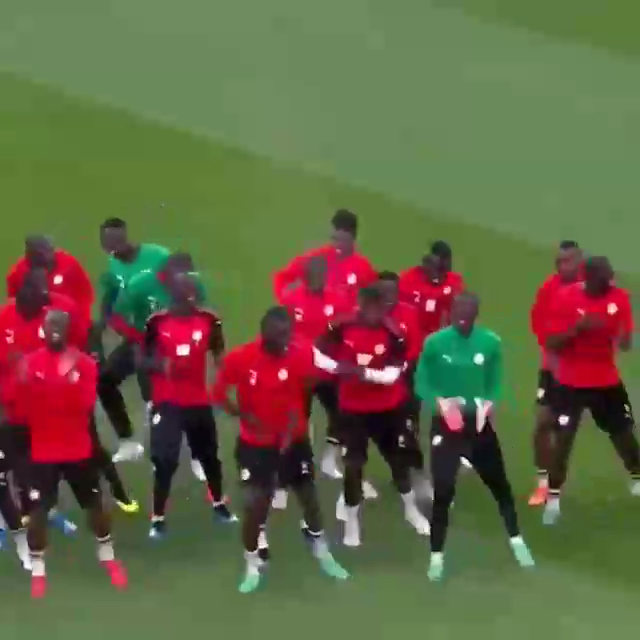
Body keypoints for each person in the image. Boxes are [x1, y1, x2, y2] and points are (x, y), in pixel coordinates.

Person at [211, 306, 349, 593]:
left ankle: (319, 544)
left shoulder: (300, 353)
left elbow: (308, 385)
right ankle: (252, 561)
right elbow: (219, 393)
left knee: (309, 497)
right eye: (279, 335)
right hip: (256, 445)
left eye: (288, 334)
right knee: (256, 506)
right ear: (264, 333)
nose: (285, 341)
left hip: (293, 442)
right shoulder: (241, 358)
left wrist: (293, 422)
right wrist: (242, 415)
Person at [415, 292, 534, 581]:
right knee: (443, 491)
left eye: (468, 315)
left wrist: (488, 405)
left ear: (475, 315)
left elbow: (495, 382)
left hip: (477, 425)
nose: (463, 320)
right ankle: (436, 556)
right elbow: (421, 382)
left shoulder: (490, 342)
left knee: (500, 486)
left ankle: (517, 540)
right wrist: (441, 404)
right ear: (451, 313)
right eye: (459, 314)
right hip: (446, 424)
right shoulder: (435, 343)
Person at [19, 310, 127, 598]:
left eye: (60, 325)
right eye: (50, 325)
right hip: (43, 452)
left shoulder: (84, 364)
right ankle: (38, 569)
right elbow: (27, 404)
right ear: (43, 330)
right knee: (37, 512)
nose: (54, 329)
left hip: (77, 449)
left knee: (96, 507)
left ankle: (107, 555)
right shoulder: (30, 363)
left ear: (68, 330)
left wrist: (54, 386)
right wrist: (60, 386)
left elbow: (85, 404)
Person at [314, 286, 431, 547]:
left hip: (387, 409)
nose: (375, 314)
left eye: (380, 309)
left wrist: (360, 373)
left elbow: (392, 375)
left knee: (399, 463)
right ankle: (352, 522)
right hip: (352, 410)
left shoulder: (394, 335)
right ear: (361, 305)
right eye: (370, 308)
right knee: (353, 467)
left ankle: (411, 511)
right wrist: (337, 367)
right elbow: (316, 353)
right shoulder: (341, 327)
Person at [543, 256, 640, 525]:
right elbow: (552, 342)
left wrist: (621, 336)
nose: (610, 283)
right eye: (604, 279)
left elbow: (625, 343)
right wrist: (578, 329)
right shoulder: (566, 298)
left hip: (606, 381)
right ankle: (553, 500)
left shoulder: (619, 297)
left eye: (610, 278)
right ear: (588, 279)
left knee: (624, 434)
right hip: (571, 383)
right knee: (563, 441)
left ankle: (637, 477)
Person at [140, 271, 236, 539]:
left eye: (190, 293)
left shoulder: (209, 320)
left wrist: (224, 373)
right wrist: (162, 365)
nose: (187, 299)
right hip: (167, 401)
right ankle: (158, 517)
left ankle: (219, 504)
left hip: (197, 401)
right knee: (165, 461)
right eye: (181, 294)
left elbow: (218, 351)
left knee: (209, 457)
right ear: (173, 295)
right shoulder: (156, 323)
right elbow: (142, 359)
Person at [0, 269, 87, 535]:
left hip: (44, 406)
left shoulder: (51, 320)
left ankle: (46, 510)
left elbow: (71, 353)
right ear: (22, 296)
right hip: (10, 406)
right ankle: (16, 515)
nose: (45, 301)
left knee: (45, 464)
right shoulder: (4, 318)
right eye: (39, 296)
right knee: (13, 463)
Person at [110, 252, 209, 482]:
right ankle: (144, 447)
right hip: (147, 342)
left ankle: (198, 456)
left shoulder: (193, 286)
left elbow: (203, 316)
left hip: (182, 344)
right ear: (167, 274)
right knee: (150, 400)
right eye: (181, 277)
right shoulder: (141, 285)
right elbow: (117, 317)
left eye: (188, 276)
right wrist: (138, 340)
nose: (186, 282)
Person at [98, 217, 171, 462]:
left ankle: (186, 453)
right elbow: (113, 296)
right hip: (139, 335)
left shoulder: (158, 256)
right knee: (105, 381)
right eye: (107, 242)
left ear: (125, 236)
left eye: (115, 240)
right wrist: (106, 321)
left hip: (166, 337)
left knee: (155, 397)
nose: (112, 247)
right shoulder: (114, 264)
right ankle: (128, 443)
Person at [398, 251, 471, 470]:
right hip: (414, 351)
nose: (435, 273)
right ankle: (409, 451)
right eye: (431, 267)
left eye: (439, 268)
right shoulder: (408, 280)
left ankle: (458, 447)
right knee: (412, 403)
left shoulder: (450, 284)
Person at [527, 240, 583, 506]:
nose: (562, 266)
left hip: (581, 375)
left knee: (564, 433)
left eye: (567, 260)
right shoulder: (548, 289)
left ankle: (555, 487)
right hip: (551, 370)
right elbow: (539, 325)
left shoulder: (591, 289)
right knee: (542, 424)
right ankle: (542, 483)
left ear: (579, 260)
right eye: (559, 261)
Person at [377, 271, 429, 491]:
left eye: (392, 290)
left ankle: (419, 477)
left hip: (405, 381)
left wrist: (402, 366)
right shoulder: (368, 315)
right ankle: (399, 474)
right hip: (376, 384)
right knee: (385, 433)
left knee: (408, 432)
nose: (388, 295)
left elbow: (416, 345)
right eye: (383, 291)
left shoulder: (408, 313)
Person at [273, 209, 376, 306]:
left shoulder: (363, 267)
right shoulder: (316, 259)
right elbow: (283, 278)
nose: (339, 245)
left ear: (354, 239)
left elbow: (375, 297)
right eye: (336, 239)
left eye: (344, 240)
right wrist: (289, 304)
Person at [6, 235, 94, 323]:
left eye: (50, 250)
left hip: (66, 319)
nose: (49, 254)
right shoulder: (19, 270)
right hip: (35, 320)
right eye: (43, 252)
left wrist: (81, 320)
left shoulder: (69, 264)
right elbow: (14, 302)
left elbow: (85, 293)